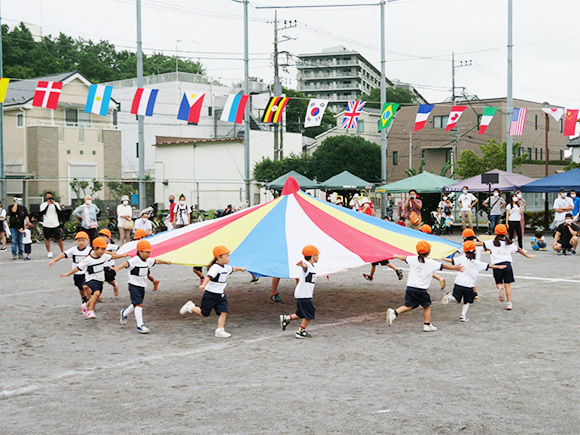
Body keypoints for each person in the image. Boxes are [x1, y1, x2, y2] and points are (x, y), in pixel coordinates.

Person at [385, 241, 463, 332]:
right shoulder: (431, 262)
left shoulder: (413, 259)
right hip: (421, 289)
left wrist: (396, 256)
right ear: (429, 251)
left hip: (410, 288)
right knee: (427, 306)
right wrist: (456, 268)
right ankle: (427, 325)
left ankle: (394, 312)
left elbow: (404, 258)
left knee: (410, 305)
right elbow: (444, 265)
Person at [179, 245, 246, 338]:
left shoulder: (226, 267)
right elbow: (209, 277)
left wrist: (240, 269)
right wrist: (203, 285)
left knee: (224, 311)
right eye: (226, 256)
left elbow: (233, 269)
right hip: (210, 294)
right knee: (204, 313)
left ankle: (220, 330)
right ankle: (190, 307)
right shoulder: (215, 267)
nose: (228, 258)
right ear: (219, 257)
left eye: (229, 255)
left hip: (220, 295)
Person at [441, 241, 506, 322]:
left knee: (456, 298)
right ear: (475, 251)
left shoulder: (461, 258)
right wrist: (499, 267)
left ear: (465, 251)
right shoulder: (477, 262)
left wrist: (444, 258)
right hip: (469, 285)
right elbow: (489, 266)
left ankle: (450, 298)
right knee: (467, 301)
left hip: (458, 282)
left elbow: (452, 261)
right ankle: (463, 316)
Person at [116, 240, 172, 334]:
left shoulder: (148, 261)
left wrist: (166, 262)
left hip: (142, 286)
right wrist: (117, 268)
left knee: (136, 304)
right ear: (140, 251)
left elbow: (156, 260)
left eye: (150, 252)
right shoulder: (134, 260)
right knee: (139, 305)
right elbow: (126, 263)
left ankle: (124, 313)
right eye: (147, 252)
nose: (149, 254)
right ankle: (140, 325)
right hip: (133, 285)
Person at [483, 224, 535, 311]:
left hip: (497, 266)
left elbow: (480, 244)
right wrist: (527, 256)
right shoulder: (509, 243)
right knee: (508, 285)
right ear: (505, 233)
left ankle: (500, 288)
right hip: (507, 265)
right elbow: (519, 249)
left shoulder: (491, 243)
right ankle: (509, 303)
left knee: (498, 283)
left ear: (495, 233)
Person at [60, 237, 114, 319]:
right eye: (102, 249)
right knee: (96, 293)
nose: (104, 251)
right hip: (91, 279)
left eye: (104, 249)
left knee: (96, 296)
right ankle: (90, 311)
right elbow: (78, 267)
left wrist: (124, 255)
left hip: (100, 279)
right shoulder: (88, 259)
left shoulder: (104, 256)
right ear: (95, 248)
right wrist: (68, 274)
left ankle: (85, 305)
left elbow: (113, 257)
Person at [280, 245, 320, 339]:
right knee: (310, 312)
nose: (318, 257)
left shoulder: (311, 266)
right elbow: (305, 267)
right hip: (304, 295)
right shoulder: (308, 265)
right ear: (312, 256)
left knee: (301, 313)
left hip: (303, 294)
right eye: (317, 255)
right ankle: (301, 331)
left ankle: (286, 318)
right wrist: (302, 265)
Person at [49, 231, 92, 307]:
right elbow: (63, 254)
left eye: (83, 240)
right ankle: (84, 298)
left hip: (87, 273)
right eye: (79, 241)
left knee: (86, 286)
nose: (81, 243)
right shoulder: (73, 250)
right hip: (76, 273)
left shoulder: (90, 250)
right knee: (80, 287)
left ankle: (90, 300)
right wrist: (54, 260)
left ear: (87, 241)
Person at [39, 191, 64, 258]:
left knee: (59, 238)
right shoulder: (43, 205)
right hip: (46, 224)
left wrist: (54, 205)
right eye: (48, 197)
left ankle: (62, 251)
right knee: (47, 238)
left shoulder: (56, 204)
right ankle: (49, 251)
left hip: (55, 224)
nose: (49, 198)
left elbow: (59, 212)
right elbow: (43, 212)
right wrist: (48, 205)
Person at [8, 196, 29, 260]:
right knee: (14, 241)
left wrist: (27, 222)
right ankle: (14, 254)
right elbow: (13, 211)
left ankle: (20, 253)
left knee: (20, 241)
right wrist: (15, 203)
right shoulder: (11, 206)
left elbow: (26, 216)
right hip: (13, 226)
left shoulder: (23, 208)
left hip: (21, 227)